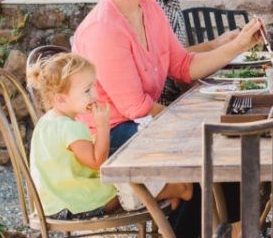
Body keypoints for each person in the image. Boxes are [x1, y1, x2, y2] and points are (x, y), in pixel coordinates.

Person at [72, 0, 263, 238]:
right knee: (195, 165)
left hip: (142, 122)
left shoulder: (150, 9)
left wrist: (237, 46)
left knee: (232, 149)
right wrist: (201, 114)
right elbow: (136, 107)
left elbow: (182, 66)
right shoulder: (104, 29)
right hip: (110, 134)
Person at [26, 52, 192, 220]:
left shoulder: (46, 122)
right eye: (86, 90)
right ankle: (178, 189)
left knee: (125, 181)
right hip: (76, 204)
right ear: (60, 99)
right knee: (128, 186)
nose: (94, 95)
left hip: (52, 204)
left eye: (93, 87)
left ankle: (169, 195)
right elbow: (97, 162)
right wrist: (102, 126)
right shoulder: (70, 128)